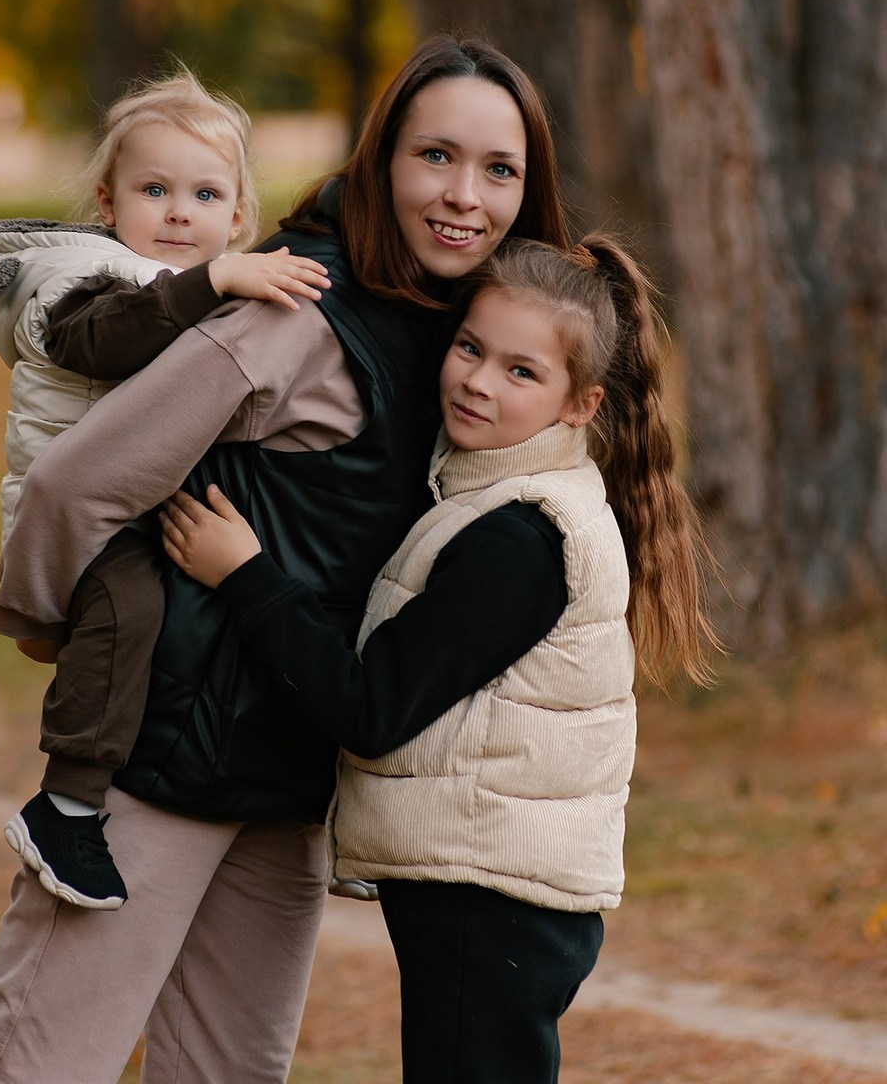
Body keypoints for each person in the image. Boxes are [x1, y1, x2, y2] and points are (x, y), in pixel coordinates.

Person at [0, 34, 571, 1084]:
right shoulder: (297, 307)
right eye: (435, 156)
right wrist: (50, 623)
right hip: (161, 764)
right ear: (382, 159)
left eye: (498, 169)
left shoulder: (472, 336)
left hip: (290, 780)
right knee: (31, 1067)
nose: (465, 194)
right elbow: (74, 484)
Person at [161, 235, 719, 1083]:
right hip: (488, 890)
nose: (479, 381)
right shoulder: (489, 494)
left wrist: (246, 576)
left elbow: (369, 709)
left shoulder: (521, 539)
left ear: (581, 404)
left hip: (492, 901)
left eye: (521, 371)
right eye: (470, 348)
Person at [0, 68, 330, 910]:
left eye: (205, 194)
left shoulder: (189, 292)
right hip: (79, 527)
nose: (178, 212)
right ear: (108, 202)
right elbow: (108, 342)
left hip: (136, 507)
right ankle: (66, 804)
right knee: (130, 605)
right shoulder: (81, 277)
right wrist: (218, 280)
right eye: (154, 189)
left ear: (236, 217)